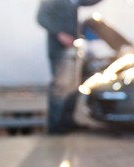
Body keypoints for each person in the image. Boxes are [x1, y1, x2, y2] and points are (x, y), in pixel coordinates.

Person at [37, 0, 102, 134]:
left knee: (73, 86)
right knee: (61, 86)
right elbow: (41, 17)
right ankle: (55, 126)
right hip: (59, 49)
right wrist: (59, 33)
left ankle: (68, 122)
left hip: (74, 47)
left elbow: (88, 2)